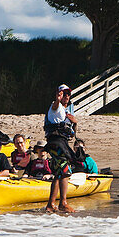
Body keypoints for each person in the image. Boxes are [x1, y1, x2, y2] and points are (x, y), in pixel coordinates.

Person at [44, 84, 79, 212]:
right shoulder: (56, 107)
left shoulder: (66, 111)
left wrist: (75, 122)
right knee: (65, 172)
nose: (66, 96)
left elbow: (71, 131)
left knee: (59, 174)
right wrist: (57, 99)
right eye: (64, 94)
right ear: (59, 95)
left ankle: (51, 204)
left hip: (60, 143)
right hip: (56, 143)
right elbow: (55, 105)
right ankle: (63, 203)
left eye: (68, 94)